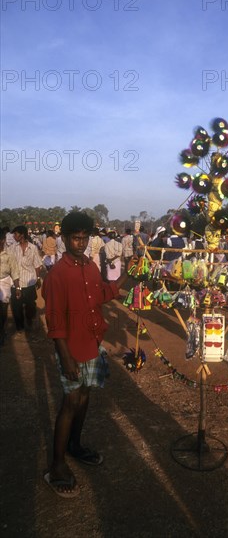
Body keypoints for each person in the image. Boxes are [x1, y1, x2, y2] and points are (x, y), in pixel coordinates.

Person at [42, 211, 127, 498]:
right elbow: (54, 320)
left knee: (86, 395)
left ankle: (75, 445)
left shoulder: (90, 266)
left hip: (92, 343)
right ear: (64, 238)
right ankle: (56, 465)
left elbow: (101, 294)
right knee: (71, 401)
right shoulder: (57, 274)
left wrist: (127, 278)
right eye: (75, 238)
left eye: (84, 237)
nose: (80, 243)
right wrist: (64, 357)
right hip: (71, 348)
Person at [10, 225, 43, 334]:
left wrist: (38, 278)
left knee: (30, 305)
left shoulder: (33, 248)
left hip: (29, 282)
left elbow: (37, 264)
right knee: (16, 307)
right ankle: (20, 327)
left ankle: (29, 320)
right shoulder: (12, 248)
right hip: (16, 282)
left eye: (16, 234)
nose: (14, 236)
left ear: (22, 235)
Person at [0, 228, 21, 346]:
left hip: (4, 282)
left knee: (3, 309)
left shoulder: (9, 254)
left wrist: (18, 288)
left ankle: (2, 330)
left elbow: (15, 271)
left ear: (3, 240)